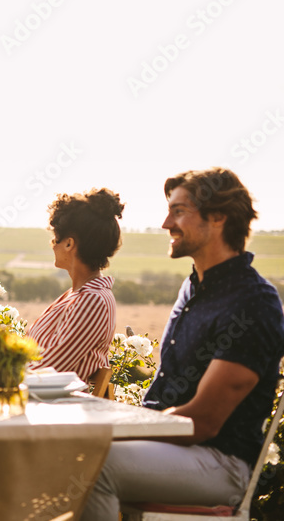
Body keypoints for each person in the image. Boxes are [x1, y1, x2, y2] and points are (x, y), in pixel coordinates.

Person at [83, 168, 284, 519]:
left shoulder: (253, 302)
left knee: (95, 464)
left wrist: (125, 431)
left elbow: (202, 422)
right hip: (168, 444)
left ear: (218, 217)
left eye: (178, 211)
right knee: (59, 449)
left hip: (219, 461)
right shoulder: (193, 287)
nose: (165, 223)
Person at [28, 188, 123, 382]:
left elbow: (48, 369)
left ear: (69, 244)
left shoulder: (92, 300)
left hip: (58, 407)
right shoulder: (79, 294)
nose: (52, 245)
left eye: (55, 238)